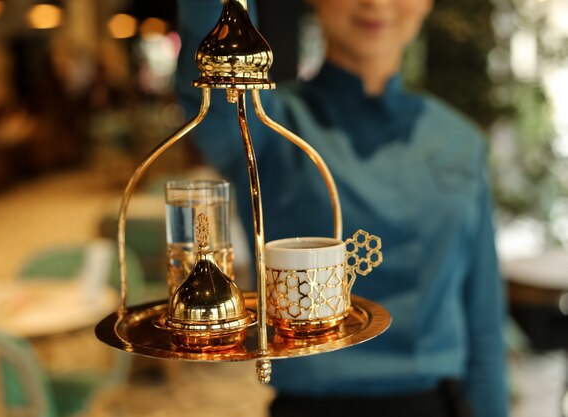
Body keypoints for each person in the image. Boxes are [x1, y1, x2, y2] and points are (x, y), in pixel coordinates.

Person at [175, 1, 509, 416]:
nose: (377, 3)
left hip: (438, 404)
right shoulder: (269, 126)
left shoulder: (460, 141)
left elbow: (484, 321)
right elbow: (215, 89)